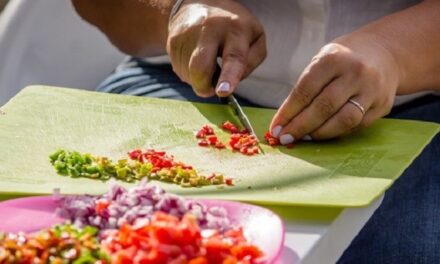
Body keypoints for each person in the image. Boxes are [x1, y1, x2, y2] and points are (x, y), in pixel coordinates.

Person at [71, 0, 440, 263]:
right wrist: (175, 9)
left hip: (418, 101)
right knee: (124, 233)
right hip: (183, 84)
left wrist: (393, 53)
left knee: (405, 247)